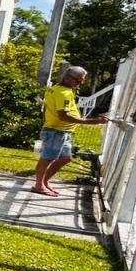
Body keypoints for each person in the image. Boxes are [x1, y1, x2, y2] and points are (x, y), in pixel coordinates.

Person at [33, 66, 107, 196]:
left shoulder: (55, 88)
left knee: (66, 158)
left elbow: (46, 109)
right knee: (47, 159)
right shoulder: (64, 93)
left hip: (62, 131)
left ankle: (44, 182)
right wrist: (91, 121)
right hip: (56, 131)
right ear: (67, 77)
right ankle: (39, 186)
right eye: (78, 80)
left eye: (82, 80)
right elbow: (64, 116)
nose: (81, 83)